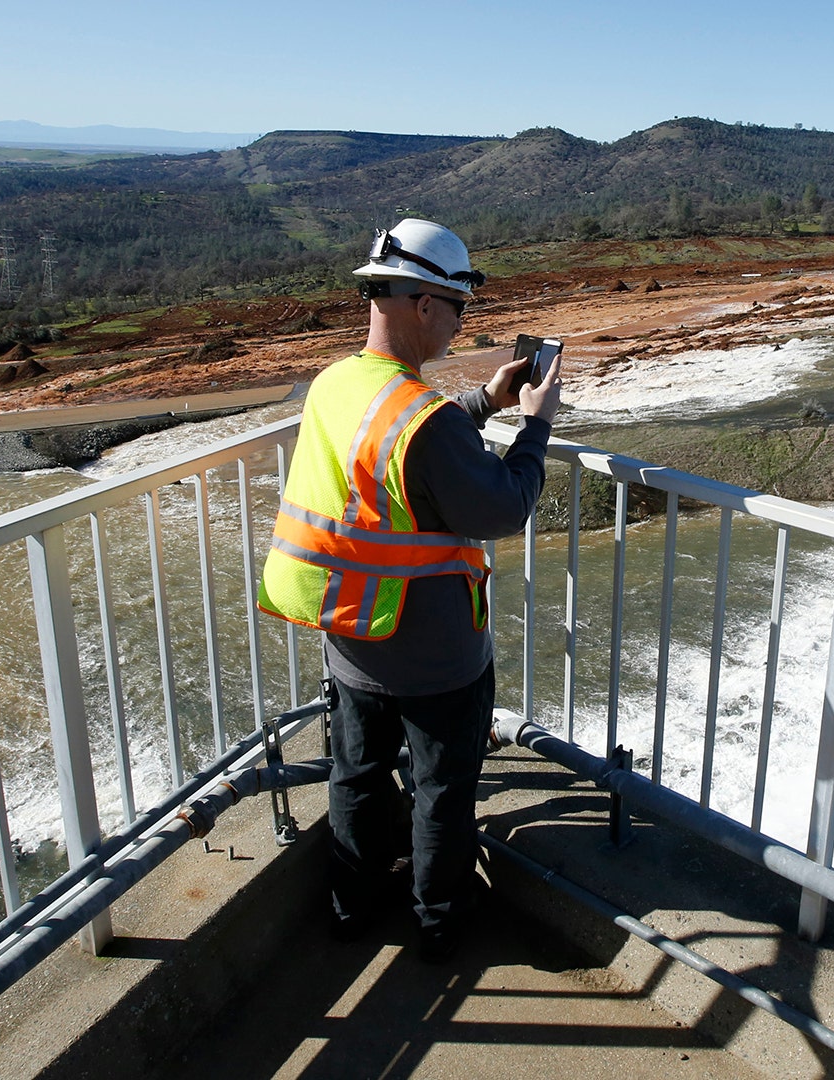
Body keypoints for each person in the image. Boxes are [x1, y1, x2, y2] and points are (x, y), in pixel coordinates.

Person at [256, 218, 561, 960]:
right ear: (425, 304)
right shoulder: (423, 419)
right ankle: (437, 922)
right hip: (435, 655)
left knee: (357, 777)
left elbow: (393, 451)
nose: (461, 323)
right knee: (442, 791)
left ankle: (350, 907)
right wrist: (535, 426)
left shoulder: (337, 383)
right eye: (458, 307)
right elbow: (498, 505)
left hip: (353, 634)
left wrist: (483, 403)